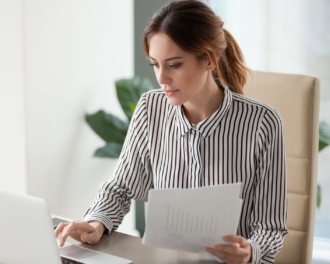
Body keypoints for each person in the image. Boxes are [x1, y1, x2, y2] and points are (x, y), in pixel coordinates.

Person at [55, 0, 287, 263]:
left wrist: (249, 252)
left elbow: (271, 227)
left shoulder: (262, 122)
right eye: (155, 64)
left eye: (174, 65)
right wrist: (96, 222)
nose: (162, 78)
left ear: (209, 59)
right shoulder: (150, 108)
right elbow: (121, 188)